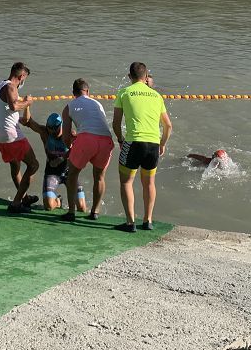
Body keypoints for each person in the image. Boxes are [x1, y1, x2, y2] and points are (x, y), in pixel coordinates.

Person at [113, 62, 172, 233]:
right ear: (146, 77)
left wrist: (120, 139)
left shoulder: (124, 93)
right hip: (153, 144)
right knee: (149, 183)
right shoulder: (156, 96)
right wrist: (162, 144)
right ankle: (148, 220)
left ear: (129, 77)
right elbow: (168, 126)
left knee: (126, 182)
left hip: (133, 142)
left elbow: (116, 123)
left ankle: (130, 223)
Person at [58, 78, 115, 223]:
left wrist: (70, 147)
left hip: (86, 139)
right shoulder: (97, 103)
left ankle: (71, 212)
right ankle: (95, 212)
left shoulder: (70, 106)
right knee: (100, 177)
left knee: (72, 174)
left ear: (73, 93)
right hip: (106, 139)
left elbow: (65, 137)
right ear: (88, 92)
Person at [0, 62, 40, 213]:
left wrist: (22, 103)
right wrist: (28, 102)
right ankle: (16, 202)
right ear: (21, 76)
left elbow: (7, 107)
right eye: (24, 78)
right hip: (11, 136)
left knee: (16, 167)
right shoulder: (11, 87)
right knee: (33, 165)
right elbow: (13, 107)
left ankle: (24, 198)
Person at [22, 109, 86, 212]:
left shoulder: (70, 135)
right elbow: (28, 122)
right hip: (52, 173)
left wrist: (62, 158)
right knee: (49, 206)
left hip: (70, 173)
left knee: (82, 208)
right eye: (50, 128)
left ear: (61, 125)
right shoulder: (45, 133)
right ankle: (58, 201)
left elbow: (81, 149)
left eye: (55, 128)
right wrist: (27, 106)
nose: (52, 131)